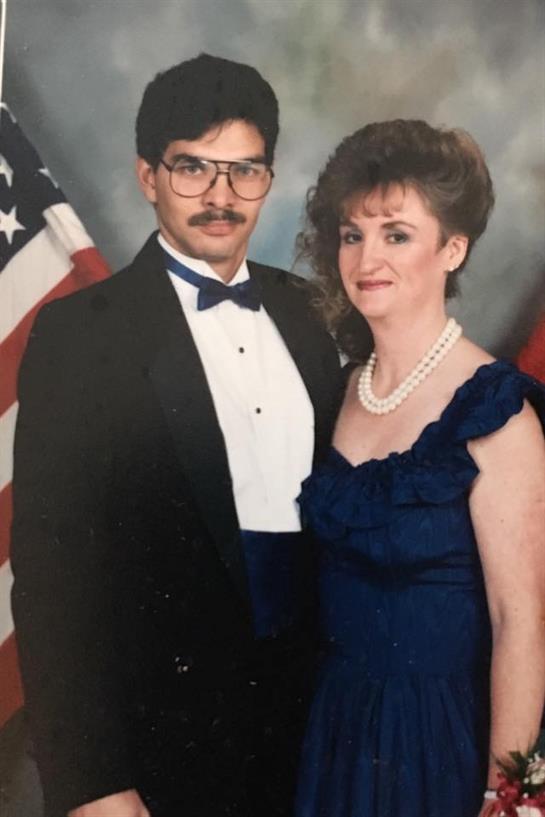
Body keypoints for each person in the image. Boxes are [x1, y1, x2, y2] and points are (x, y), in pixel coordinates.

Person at [10, 53, 342, 817]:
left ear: (268, 178)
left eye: (243, 171)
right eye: (193, 167)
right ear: (147, 176)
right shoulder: (80, 334)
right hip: (161, 754)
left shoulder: (309, 314)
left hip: (313, 738)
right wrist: (91, 781)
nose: (220, 197)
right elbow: (51, 578)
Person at [294, 119, 545, 817]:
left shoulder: (496, 414)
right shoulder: (337, 390)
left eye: (396, 234)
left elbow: (520, 622)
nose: (367, 257)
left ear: (452, 248)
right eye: (352, 234)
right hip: (333, 733)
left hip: (440, 746)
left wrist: (507, 797)